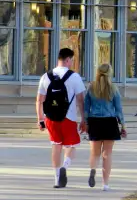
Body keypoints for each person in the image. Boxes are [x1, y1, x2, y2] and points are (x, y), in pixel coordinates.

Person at [36, 48, 86, 189]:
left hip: (50, 118)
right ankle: (65, 166)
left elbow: (39, 100)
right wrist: (83, 119)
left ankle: (57, 178)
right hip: (68, 117)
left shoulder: (46, 76)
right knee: (71, 146)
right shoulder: (74, 77)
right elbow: (81, 100)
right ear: (68, 59)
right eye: (72, 61)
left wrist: (40, 120)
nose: (72, 63)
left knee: (56, 146)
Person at [84, 64, 127, 192]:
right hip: (110, 122)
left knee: (94, 153)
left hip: (94, 121)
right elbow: (118, 109)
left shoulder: (91, 87)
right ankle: (105, 184)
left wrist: (86, 122)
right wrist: (123, 125)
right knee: (107, 154)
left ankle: (92, 170)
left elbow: (86, 108)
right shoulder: (114, 88)